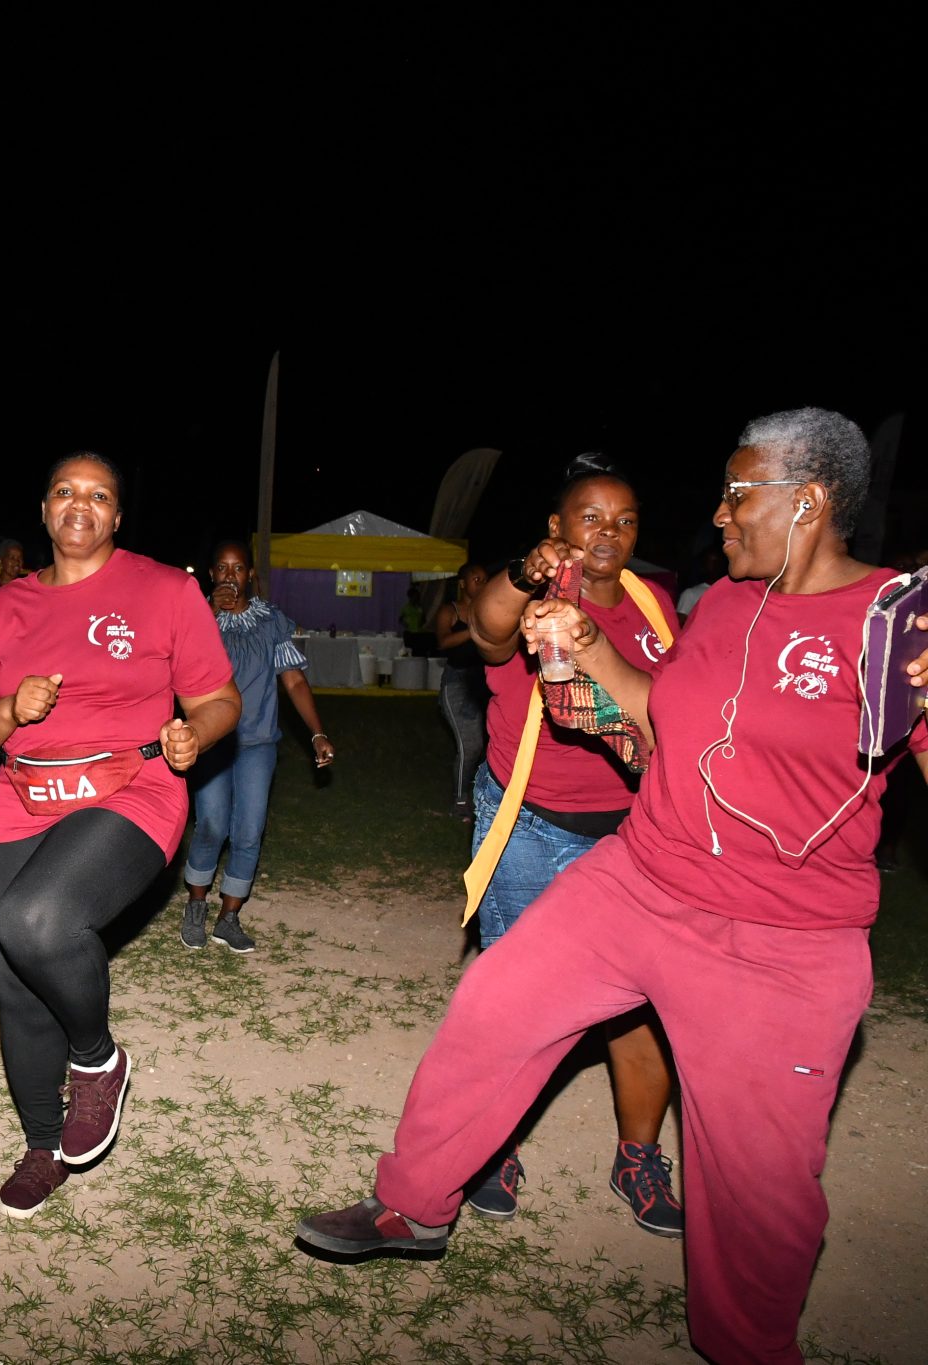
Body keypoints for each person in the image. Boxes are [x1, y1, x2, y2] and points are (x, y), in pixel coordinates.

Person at [297, 409, 928, 1365]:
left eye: (738, 493)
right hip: (641, 877)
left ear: (810, 500)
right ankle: (414, 1205)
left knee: (757, 1185)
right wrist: (590, 650)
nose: (716, 513)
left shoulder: (894, 623)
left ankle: (749, 1345)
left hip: (781, 939)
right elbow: (658, 713)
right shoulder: (720, 605)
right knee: (494, 1005)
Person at [0, 452, 239, 1217]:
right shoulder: (6, 606)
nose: (81, 504)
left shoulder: (165, 589)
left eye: (99, 494)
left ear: (117, 516)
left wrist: (195, 736)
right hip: (23, 796)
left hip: (133, 785)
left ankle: (97, 1059)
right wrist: (11, 709)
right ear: (43, 511)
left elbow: (218, 697)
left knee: (35, 919)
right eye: (65, 492)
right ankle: (44, 1146)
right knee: (18, 982)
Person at [455, 454, 683, 1235]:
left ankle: (640, 1156)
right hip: (527, 821)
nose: (608, 533)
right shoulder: (535, 590)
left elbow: (673, 715)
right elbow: (484, 634)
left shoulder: (657, 610)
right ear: (558, 526)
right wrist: (526, 571)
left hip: (631, 837)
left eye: (624, 519)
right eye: (591, 517)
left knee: (640, 1007)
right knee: (513, 999)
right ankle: (496, 1145)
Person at [180, 542, 333, 952]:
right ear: (213, 574)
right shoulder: (196, 618)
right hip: (212, 740)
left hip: (258, 741)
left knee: (249, 829)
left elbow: (295, 680)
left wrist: (317, 732)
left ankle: (229, 917)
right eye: (223, 569)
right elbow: (174, 664)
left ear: (250, 575)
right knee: (211, 824)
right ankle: (196, 905)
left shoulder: (271, 622)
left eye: (239, 569)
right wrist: (208, 612)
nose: (231, 576)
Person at [434, 561, 491, 821]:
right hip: (457, 684)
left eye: (484, 580)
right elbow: (444, 642)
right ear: (462, 583)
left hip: (486, 684)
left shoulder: (487, 610)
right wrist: (474, 630)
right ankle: (460, 801)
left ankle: (484, 796)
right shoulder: (451, 611)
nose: (481, 584)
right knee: (470, 745)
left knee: (489, 747)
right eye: (476, 579)